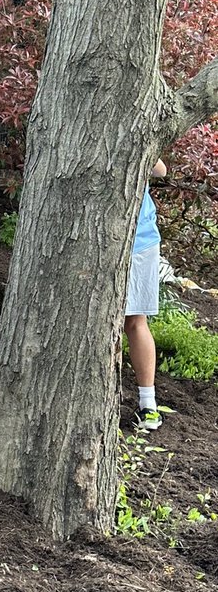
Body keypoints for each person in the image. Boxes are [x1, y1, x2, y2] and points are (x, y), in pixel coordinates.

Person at [125, 158, 167, 431]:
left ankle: (148, 405)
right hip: (95, 240)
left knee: (135, 321)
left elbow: (160, 170)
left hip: (140, 242)